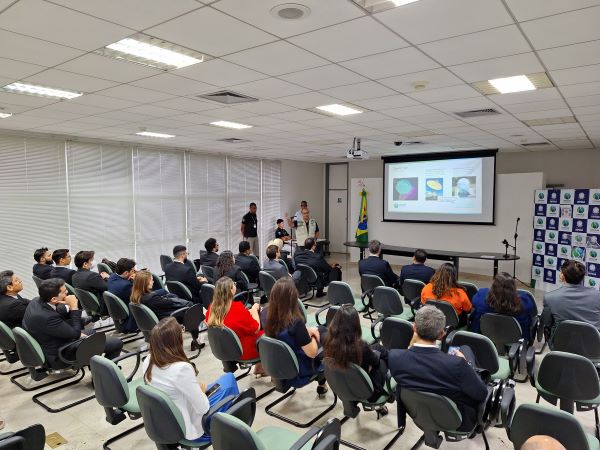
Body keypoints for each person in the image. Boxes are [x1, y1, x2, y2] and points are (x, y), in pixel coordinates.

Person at [389, 306, 488, 432]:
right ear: (442, 334)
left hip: (418, 414)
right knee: (466, 349)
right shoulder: (457, 365)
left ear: (414, 328)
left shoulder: (395, 357)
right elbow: (481, 394)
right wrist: (467, 365)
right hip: (457, 421)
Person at [142, 317, 239, 444]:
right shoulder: (181, 369)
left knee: (222, 381)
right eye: (181, 330)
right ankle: (232, 432)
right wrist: (201, 391)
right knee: (229, 379)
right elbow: (203, 408)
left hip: (169, 422)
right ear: (175, 340)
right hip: (191, 427)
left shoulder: (148, 361)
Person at [22, 278, 123, 368]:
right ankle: (103, 376)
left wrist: (66, 305)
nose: (67, 292)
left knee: (92, 332)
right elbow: (76, 333)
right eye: (64, 292)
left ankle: (94, 363)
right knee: (116, 343)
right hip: (59, 354)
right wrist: (74, 307)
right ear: (54, 299)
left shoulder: (36, 301)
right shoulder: (48, 318)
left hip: (49, 342)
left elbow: (55, 310)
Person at [265, 277, 328, 394]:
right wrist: (313, 335)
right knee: (325, 336)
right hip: (300, 370)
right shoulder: (295, 323)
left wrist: (308, 330)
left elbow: (287, 333)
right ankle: (323, 382)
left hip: (282, 364)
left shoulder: (266, 315)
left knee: (321, 329)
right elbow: (312, 352)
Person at [324, 305, 389, 405]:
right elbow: (376, 363)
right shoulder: (361, 347)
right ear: (355, 325)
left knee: (378, 347)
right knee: (383, 358)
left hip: (343, 385)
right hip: (367, 391)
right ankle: (393, 383)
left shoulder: (328, 341)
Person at [206, 277, 264, 375]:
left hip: (226, 349)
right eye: (234, 284)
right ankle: (271, 372)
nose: (235, 285)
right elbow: (256, 328)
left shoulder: (211, 309)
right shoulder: (237, 308)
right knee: (271, 334)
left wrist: (246, 313)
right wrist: (254, 310)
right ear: (231, 290)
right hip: (244, 351)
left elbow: (232, 322)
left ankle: (260, 368)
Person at [470, 272, 535, 340]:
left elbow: (474, 303)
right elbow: (531, 311)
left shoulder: (481, 297)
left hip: (485, 340)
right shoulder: (524, 303)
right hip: (515, 343)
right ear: (513, 288)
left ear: (493, 286)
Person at [543, 259, 600, 336]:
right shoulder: (597, 295)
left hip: (560, 341)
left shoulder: (549, 298)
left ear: (562, 276)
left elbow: (547, 323)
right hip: (592, 341)